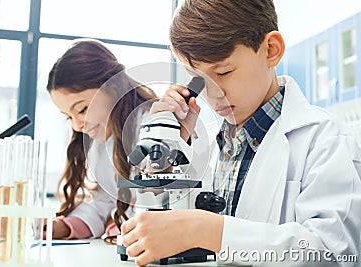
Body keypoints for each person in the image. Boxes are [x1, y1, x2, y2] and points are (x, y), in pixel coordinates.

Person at [121, 0, 361, 266]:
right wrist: (167, 153)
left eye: (223, 72)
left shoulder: (326, 141)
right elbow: (151, 230)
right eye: (198, 79)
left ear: (271, 50)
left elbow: (335, 254)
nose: (213, 94)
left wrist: (209, 230)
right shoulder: (204, 144)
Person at [46, 39, 158, 239]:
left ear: (113, 89)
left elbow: (156, 205)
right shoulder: (103, 144)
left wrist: (118, 224)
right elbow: (104, 202)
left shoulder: (153, 129)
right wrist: (61, 227)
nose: (76, 125)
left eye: (82, 109)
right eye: (68, 116)